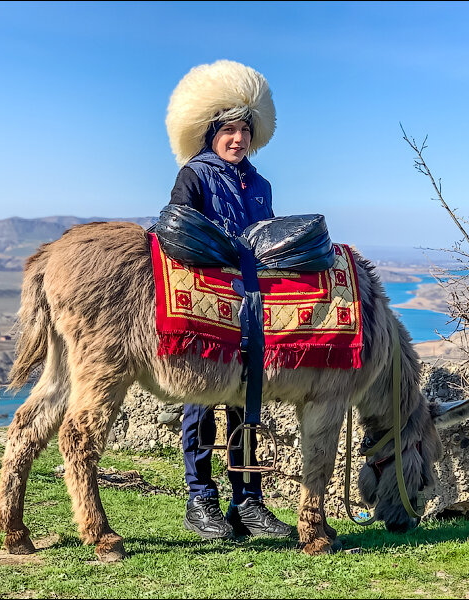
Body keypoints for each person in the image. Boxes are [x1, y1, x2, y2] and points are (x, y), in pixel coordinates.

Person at [161, 60, 292, 540]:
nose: (237, 138)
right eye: (228, 130)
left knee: (248, 402)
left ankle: (248, 502)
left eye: (244, 130)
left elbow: (270, 240)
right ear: (212, 132)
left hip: (253, 305)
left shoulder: (260, 184)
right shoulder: (193, 176)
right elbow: (172, 233)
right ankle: (201, 501)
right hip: (204, 304)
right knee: (201, 401)